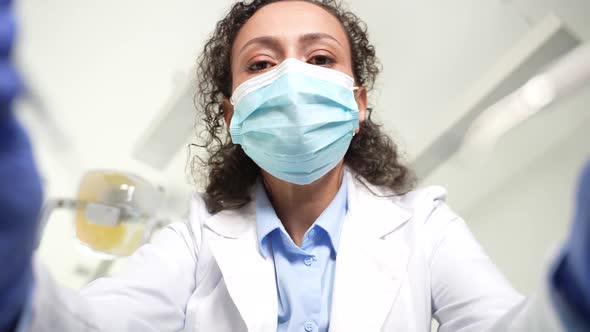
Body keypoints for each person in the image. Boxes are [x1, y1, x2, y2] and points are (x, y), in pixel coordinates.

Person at [1, 0, 589, 331]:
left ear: (357, 103)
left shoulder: (424, 227)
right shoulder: (194, 241)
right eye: (260, 65)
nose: (292, 79)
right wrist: (11, 287)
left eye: (320, 58)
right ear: (231, 116)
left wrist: (577, 293)